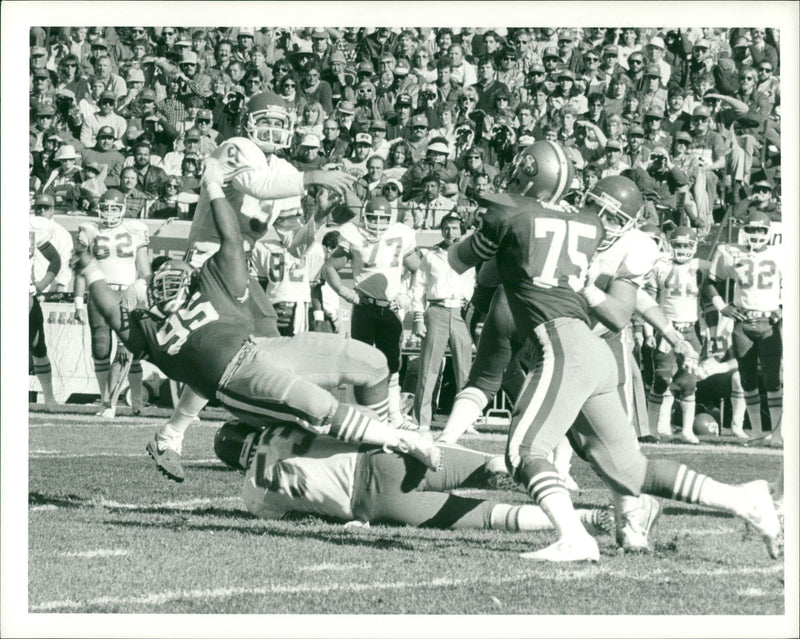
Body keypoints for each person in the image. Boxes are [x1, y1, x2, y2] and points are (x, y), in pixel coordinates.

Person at [446, 146, 781, 562]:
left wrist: (497, 233)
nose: (604, 221)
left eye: (616, 218)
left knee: (523, 452)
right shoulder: (572, 224)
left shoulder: (539, 220)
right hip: (586, 352)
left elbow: (462, 262)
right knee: (629, 468)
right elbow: (497, 269)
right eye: (598, 209)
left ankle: (576, 536)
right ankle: (743, 499)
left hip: (568, 346)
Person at [72, 161, 441, 478]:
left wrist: (90, 269)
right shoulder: (151, 331)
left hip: (260, 347)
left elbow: (234, 237)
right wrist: (89, 272)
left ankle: (381, 435)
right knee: (317, 408)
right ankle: (399, 442)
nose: (168, 284)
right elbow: (113, 312)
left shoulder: (207, 288)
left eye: (175, 278)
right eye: (162, 282)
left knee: (371, 362)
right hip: (235, 379)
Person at [150, 90, 357, 482]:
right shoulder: (238, 147)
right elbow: (255, 183)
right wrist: (312, 175)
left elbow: (294, 245)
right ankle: (172, 435)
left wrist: (319, 217)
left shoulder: (282, 170)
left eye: (281, 123)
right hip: (210, 260)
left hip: (240, 268)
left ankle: (270, 433)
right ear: (249, 122)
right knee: (224, 354)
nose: (274, 129)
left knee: (271, 347)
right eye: (268, 120)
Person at [214, 419, 613, 536]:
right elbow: (339, 418)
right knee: (490, 467)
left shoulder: (253, 496)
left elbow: (294, 516)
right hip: (384, 459)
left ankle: (592, 521)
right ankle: (546, 475)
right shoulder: (283, 424)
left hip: (373, 504)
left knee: (492, 516)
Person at [323, 196, 419, 428]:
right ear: (365, 216)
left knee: (393, 365)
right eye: (373, 217)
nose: (377, 223)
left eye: (383, 218)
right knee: (359, 363)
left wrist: (407, 296)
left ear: (391, 218)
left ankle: (394, 417)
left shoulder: (401, 233)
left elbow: (419, 269)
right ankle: (362, 416)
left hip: (390, 309)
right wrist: (349, 295)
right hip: (364, 307)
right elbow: (329, 268)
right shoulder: (353, 233)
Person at [705, 210, 783, 446]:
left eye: (760, 230)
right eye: (751, 229)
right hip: (743, 322)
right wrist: (723, 307)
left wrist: (781, 308)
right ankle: (757, 432)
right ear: (743, 231)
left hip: (769, 323)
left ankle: (777, 433)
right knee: (747, 379)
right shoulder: (730, 252)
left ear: (768, 232)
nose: (756, 234)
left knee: (772, 380)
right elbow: (709, 282)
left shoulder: (782, 254)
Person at [73, 189, 151, 417]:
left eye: (115, 207)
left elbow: (145, 270)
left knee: (128, 350)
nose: (109, 212)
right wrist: (78, 301)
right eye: (106, 207)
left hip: (126, 292)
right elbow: (81, 269)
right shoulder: (89, 229)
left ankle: (132, 402)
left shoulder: (136, 229)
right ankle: (106, 400)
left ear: (124, 208)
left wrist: (145, 295)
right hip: (99, 292)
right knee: (100, 348)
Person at [410, 213, 475, 432]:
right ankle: (421, 420)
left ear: (462, 230)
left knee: (464, 370)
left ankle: (465, 421)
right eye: (447, 228)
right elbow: (418, 288)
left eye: (455, 228)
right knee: (429, 368)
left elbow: (474, 286)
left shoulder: (470, 255)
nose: (450, 232)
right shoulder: (430, 256)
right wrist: (419, 318)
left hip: (460, 312)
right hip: (436, 310)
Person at [644, 226, 709, 443]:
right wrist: (647, 331)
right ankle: (651, 429)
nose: (681, 249)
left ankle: (687, 430)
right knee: (661, 378)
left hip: (690, 330)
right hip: (667, 329)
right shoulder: (660, 266)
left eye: (686, 245)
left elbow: (719, 275)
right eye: (678, 244)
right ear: (671, 245)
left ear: (694, 246)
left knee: (689, 383)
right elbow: (650, 302)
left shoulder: (700, 267)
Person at [29, 205, 64, 411]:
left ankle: (49, 398)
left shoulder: (33, 229)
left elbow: (55, 260)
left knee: (38, 346)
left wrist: (41, 285)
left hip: (25, 294)